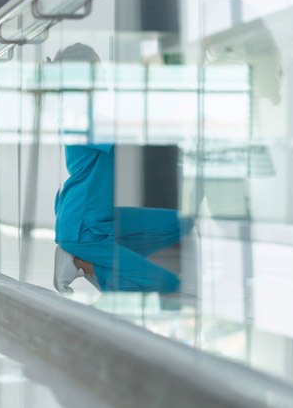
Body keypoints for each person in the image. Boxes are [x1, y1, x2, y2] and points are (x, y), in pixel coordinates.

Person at [50, 43, 194, 293]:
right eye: (99, 67)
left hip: (102, 217)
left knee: (180, 223)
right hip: (83, 226)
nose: (105, 73)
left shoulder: (86, 114)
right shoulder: (82, 117)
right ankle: (79, 262)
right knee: (168, 283)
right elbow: (134, 135)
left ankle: (104, 262)